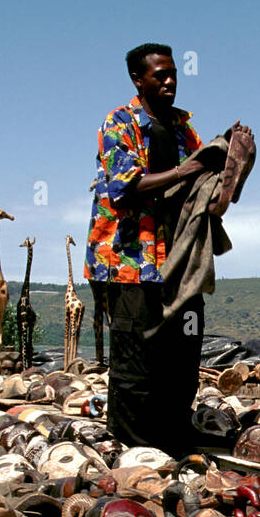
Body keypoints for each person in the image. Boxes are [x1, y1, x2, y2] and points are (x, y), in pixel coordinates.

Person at [84, 43, 209, 453]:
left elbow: (202, 181)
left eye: (173, 73)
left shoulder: (184, 129)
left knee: (183, 351)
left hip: (177, 260)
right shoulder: (119, 122)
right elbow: (127, 186)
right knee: (135, 358)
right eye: (160, 75)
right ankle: (134, 449)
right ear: (139, 79)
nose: (170, 81)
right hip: (128, 261)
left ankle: (174, 438)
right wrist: (183, 170)